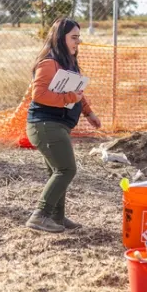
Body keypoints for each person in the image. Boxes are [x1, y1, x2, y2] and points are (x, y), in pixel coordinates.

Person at [25, 17, 101, 233]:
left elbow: (77, 92)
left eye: (79, 37)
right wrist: (69, 98)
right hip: (45, 125)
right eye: (74, 37)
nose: (78, 41)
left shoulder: (68, 62)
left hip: (57, 125)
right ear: (60, 38)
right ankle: (40, 216)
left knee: (57, 171)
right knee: (66, 169)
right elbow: (38, 95)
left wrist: (89, 112)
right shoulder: (49, 63)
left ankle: (57, 218)